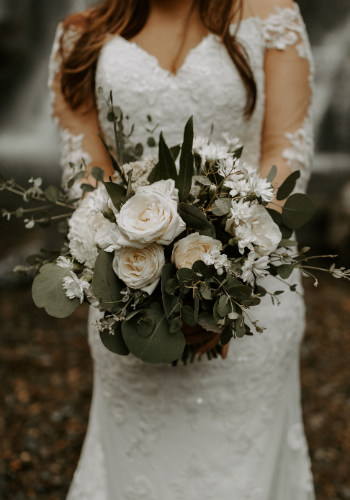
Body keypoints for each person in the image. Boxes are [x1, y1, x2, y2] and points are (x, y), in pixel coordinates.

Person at [49, 0, 315, 498]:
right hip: (131, 287)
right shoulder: (80, 36)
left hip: (251, 289)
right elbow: (88, 177)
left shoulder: (270, 15)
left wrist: (229, 273)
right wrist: (145, 282)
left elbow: (285, 148)